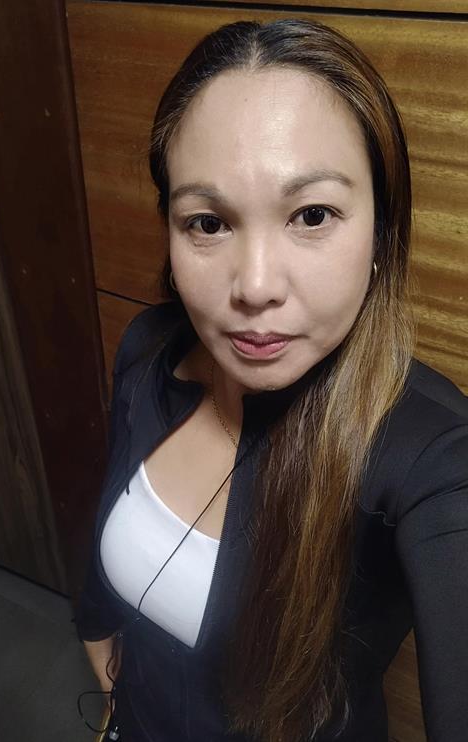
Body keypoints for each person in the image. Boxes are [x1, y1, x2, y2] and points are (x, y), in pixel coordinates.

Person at [75, 18, 468, 742]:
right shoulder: (148, 349)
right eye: (208, 223)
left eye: (312, 214)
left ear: (381, 231)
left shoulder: (432, 457)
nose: (255, 286)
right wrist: (103, 658)